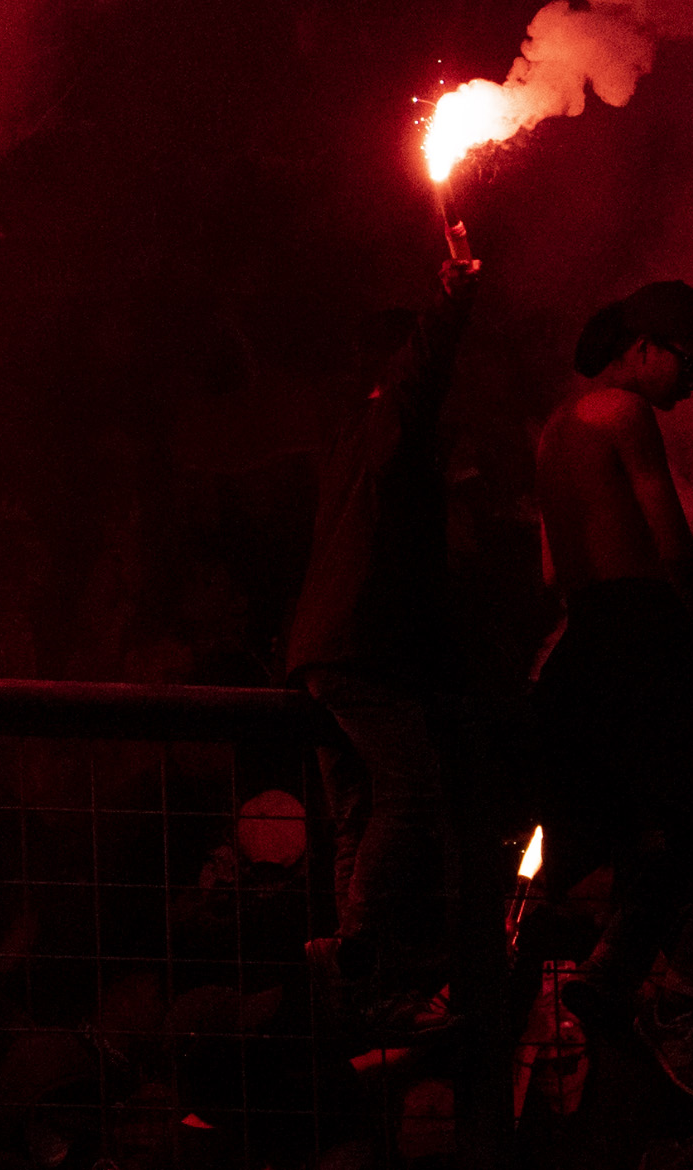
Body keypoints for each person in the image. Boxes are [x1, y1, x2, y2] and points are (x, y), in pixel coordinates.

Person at [528, 276, 693, 1104]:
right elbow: (669, 545)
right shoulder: (623, 415)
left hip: (587, 639)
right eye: (691, 362)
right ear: (644, 350)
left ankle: (612, 967)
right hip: (640, 632)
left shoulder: (556, 428)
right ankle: (680, 990)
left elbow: (555, 569)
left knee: (656, 822)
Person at [277, 235, 479, 1041]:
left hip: (320, 648)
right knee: (410, 788)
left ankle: (354, 983)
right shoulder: (392, 414)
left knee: (357, 809)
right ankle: (362, 950)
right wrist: (456, 293)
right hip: (360, 645)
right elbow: (421, 369)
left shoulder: (350, 441)